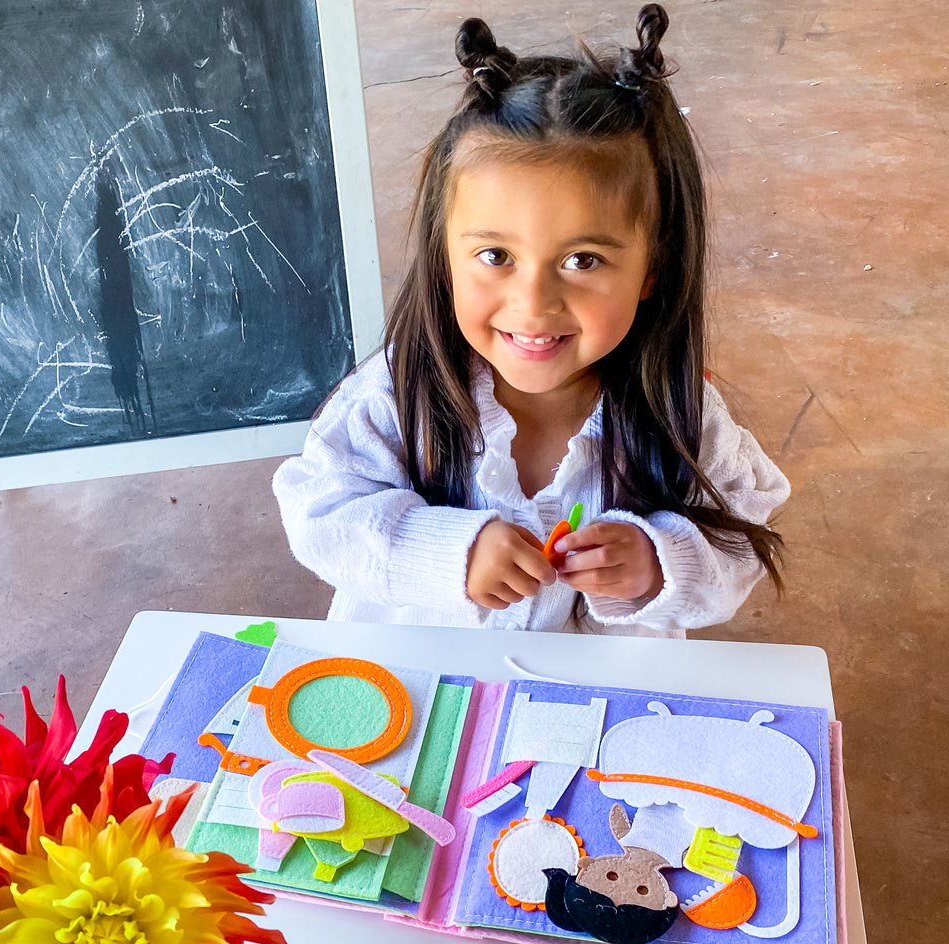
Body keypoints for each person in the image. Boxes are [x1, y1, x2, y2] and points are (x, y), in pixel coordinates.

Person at [273, 5, 789, 639]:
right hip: (427, 695)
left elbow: (740, 535)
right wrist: (447, 552)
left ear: (653, 268)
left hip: (594, 706)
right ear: (445, 258)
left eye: (583, 259)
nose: (534, 302)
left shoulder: (681, 413)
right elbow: (318, 513)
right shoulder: (396, 394)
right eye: (495, 256)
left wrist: (660, 563)